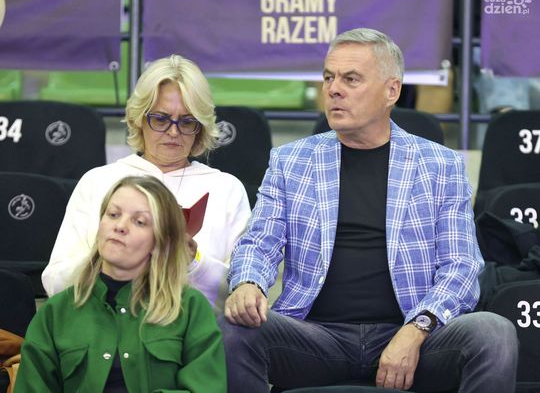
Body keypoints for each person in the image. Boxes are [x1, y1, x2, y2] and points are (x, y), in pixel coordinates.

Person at [220, 28, 519, 392]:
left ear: (391, 91)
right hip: (315, 337)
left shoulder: (440, 165)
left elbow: (462, 266)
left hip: (413, 336)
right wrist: (248, 283)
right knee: (234, 328)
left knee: (493, 333)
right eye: (328, 77)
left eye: (351, 79)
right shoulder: (291, 161)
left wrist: (417, 329)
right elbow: (258, 243)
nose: (333, 89)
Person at [42, 54, 251, 308]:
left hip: (192, 326)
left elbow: (237, 297)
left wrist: (193, 261)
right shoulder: (97, 181)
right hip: (104, 322)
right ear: (139, 119)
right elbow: (54, 284)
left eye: (187, 122)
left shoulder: (226, 189)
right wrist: (106, 257)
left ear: (201, 128)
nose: (173, 132)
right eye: (161, 119)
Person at [15, 175, 227, 392]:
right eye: (113, 214)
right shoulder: (55, 312)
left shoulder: (190, 308)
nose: (120, 226)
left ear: (160, 241)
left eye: (139, 221)